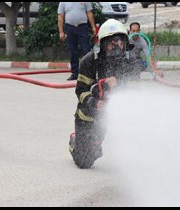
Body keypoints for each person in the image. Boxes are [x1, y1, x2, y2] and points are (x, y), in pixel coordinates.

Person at [69, 19, 140, 169]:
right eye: (112, 43)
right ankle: (75, 141)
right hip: (88, 115)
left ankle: (95, 143)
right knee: (84, 162)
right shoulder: (89, 61)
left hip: (112, 115)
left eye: (120, 43)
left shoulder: (130, 62)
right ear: (102, 44)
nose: (116, 47)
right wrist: (94, 102)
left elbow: (135, 91)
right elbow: (80, 90)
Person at [57, 2, 96, 81]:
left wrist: (93, 27)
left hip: (83, 27)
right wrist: (61, 32)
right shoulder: (63, 3)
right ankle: (75, 73)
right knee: (72, 51)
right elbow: (60, 16)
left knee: (86, 50)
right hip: (70, 28)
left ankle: (89, 73)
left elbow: (89, 13)